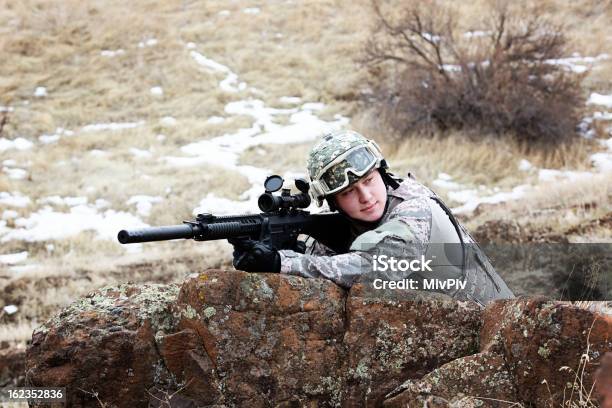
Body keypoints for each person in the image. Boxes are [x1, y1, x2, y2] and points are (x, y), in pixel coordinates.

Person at [231, 130, 514, 305]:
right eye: (350, 192)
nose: (366, 197)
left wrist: (285, 263)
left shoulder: (416, 208)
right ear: (334, 202)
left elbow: (376, 269)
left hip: (492, 325)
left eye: (369, 180)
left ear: (382, 172)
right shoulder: (344, 224)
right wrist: (271, 253)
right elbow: (323, 270)